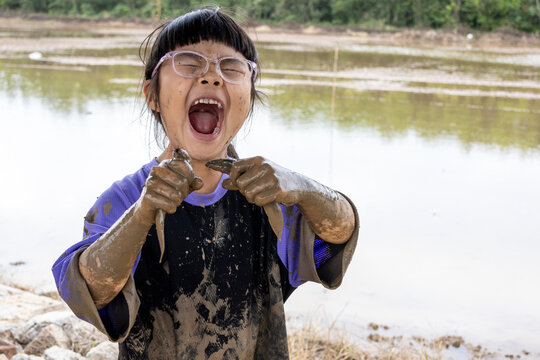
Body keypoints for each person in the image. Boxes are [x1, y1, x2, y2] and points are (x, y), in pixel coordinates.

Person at [52, 6, 359, 360]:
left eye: (230, 68)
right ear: (152, 94)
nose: (211, 77)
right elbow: (91, 291)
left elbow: (337, 235)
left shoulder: (271, 197)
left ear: (249, 97)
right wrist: (142, 214)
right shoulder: (124, 200)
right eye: (189, 63)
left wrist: (304, 188)